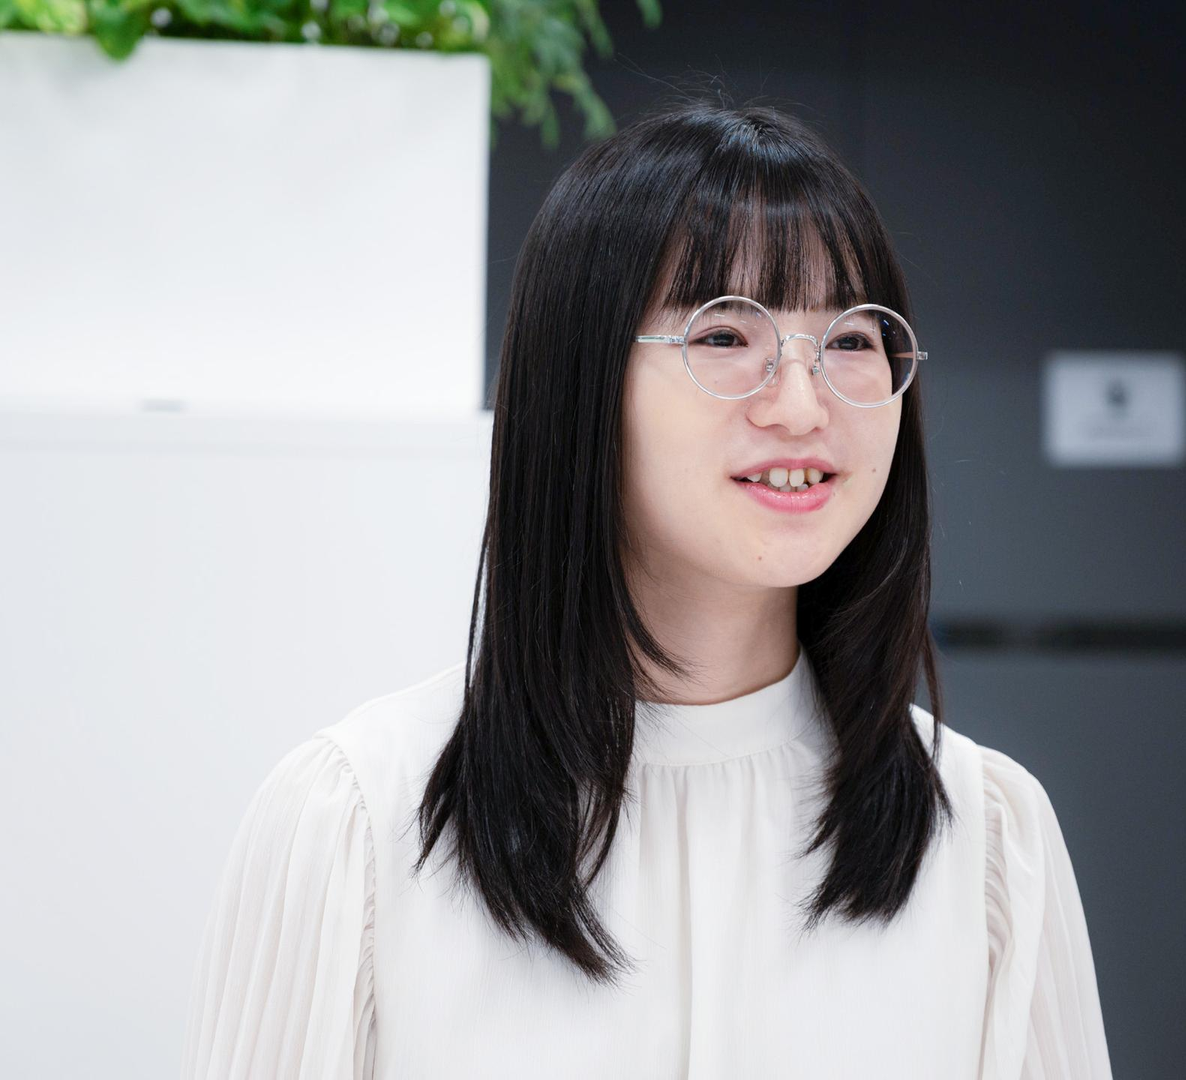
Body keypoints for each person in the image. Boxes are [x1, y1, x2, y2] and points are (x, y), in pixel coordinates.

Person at [182, 98, 1113, 1079]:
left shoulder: (987, 837)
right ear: (579, 383)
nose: (803, 404)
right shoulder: (359, 821)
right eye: (723, 334)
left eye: (849, 339)